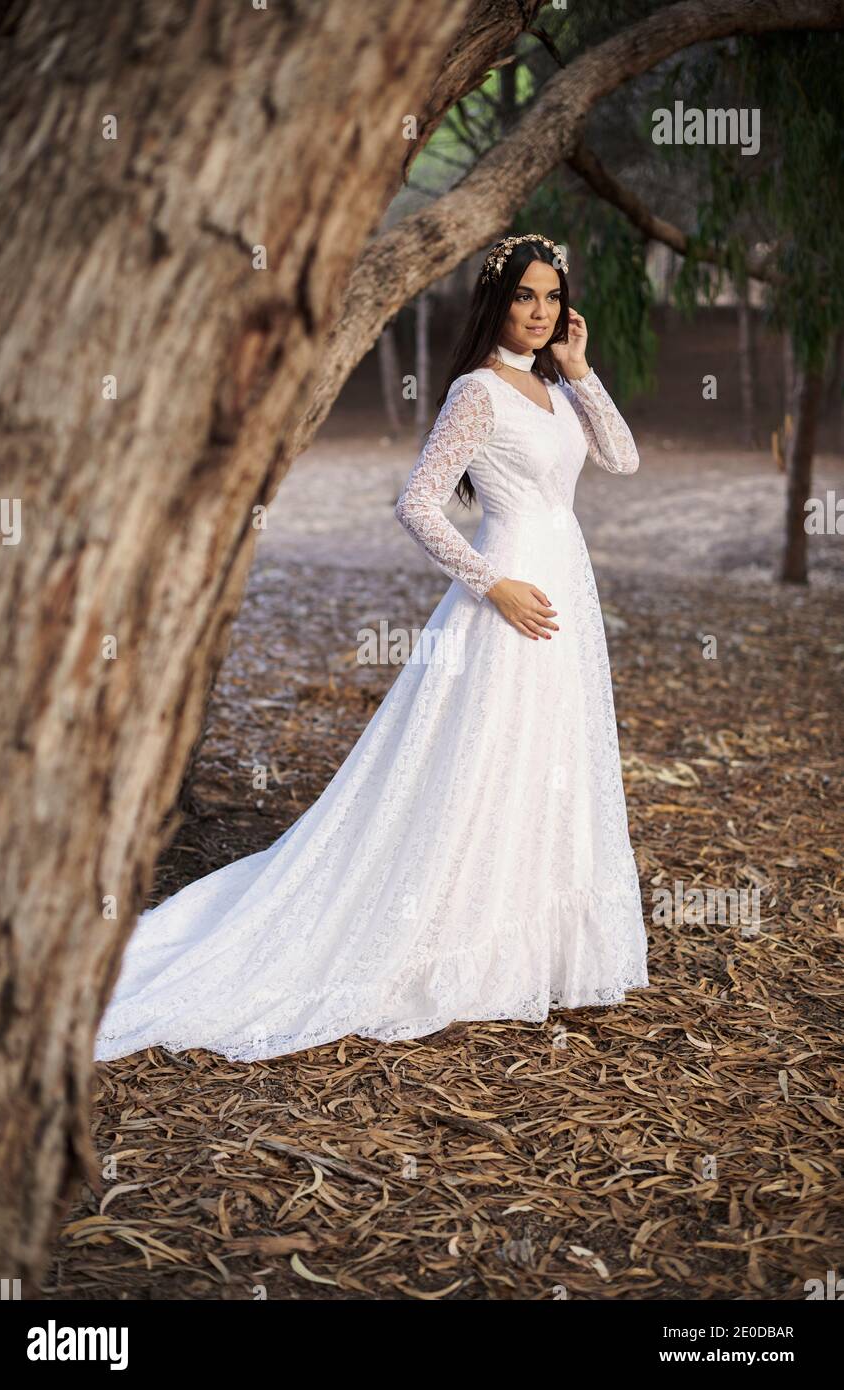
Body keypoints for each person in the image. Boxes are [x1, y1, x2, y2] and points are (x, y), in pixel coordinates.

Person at [94, 233, 649, 1065]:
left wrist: (578, 369)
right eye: (523, 297)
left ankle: (538, 929)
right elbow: (417, 502)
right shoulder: (476, 390)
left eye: (550, 297)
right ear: (494, 303)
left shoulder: (554, 390)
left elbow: (623, 458)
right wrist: (488, 582)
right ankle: (450, 928)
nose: (538, 313)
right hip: (504, 595)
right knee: (481, 756)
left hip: (565, 586)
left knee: (550, 755)